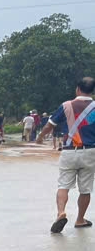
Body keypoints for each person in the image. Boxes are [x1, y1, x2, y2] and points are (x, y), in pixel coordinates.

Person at [38, 77, 95, 233]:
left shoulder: (66, 106)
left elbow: (50, 125)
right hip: (90, 152)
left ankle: (61, 212)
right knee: (85, 189)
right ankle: (80, 219)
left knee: (63, 185)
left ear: (77, 89)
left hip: (69, 151)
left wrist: (40, 138)